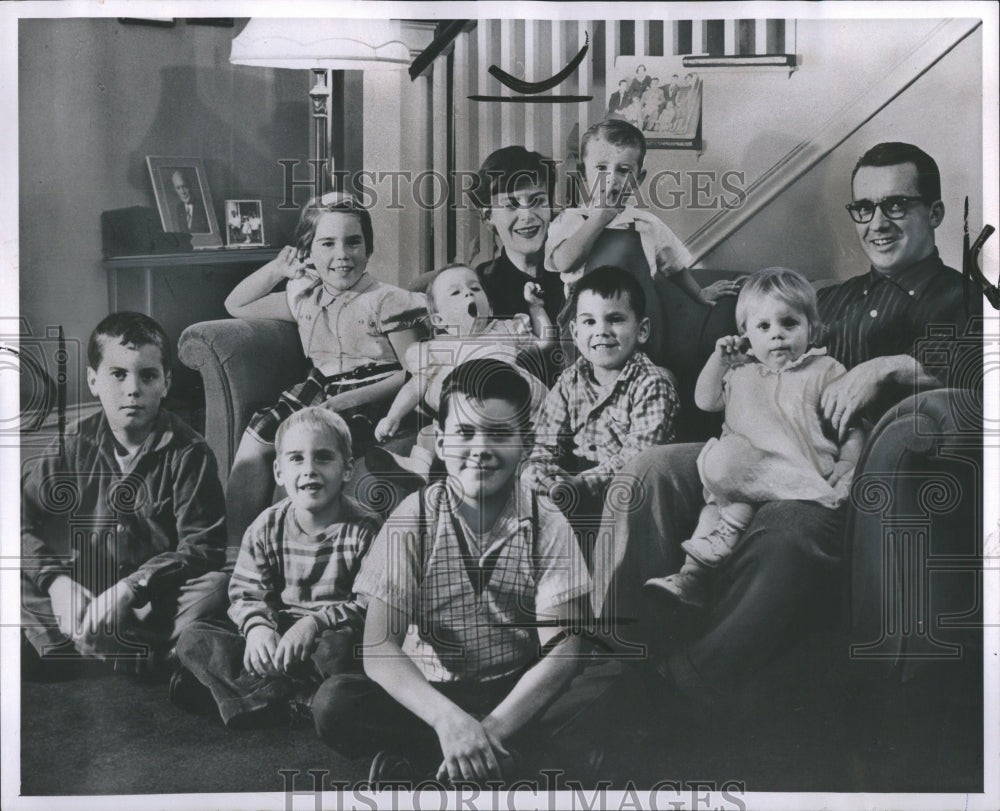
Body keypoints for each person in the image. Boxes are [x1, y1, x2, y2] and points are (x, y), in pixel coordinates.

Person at [591, 141, 983, 706]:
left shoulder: (965, 299)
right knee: (649, 470)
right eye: (864, 208)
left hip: (847, 479)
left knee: (787, 526)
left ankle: (689, 681)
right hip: (767, 446)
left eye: (897, 206)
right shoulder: (832, 300)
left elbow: (983, 381)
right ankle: (618, 653)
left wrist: (894, 365)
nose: (877, 222)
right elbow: (763, 366)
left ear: (936, 213)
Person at [312, 359, 623, 786]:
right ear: (440, 442)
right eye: (464, 433)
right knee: (335, 703)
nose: (480, 449)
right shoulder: (413, 519)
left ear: (525, 443)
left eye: (499, 434)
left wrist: (488, 729)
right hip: (435, 692)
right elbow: (381, 647)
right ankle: (506, 763)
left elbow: (562, 651)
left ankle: (451, 760)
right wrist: (450, 722)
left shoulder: (545, 518)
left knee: (615, 681)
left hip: (517, 688)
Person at [21, 312, 228, 677]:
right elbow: (16, 521)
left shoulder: (190, 453)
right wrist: (56, 583)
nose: (133, 389)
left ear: (165, 383)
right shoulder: (72, 443)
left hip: (146, 602)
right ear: (93, 381)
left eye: (147, 375)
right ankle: (84, 644)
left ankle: (90, 650)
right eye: (118, 375)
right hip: (83, 592)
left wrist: (131, 587)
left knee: (216, 586)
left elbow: (202, 549)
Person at [644, 268, 864, 606]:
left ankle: (711, 564)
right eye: (763, 327)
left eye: (789, 324)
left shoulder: (824, 370)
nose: (776, 335)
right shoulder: (740, 371)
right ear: (744, 333)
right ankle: (690, 577)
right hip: (743, 476)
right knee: (714, 509)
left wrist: (849, 460)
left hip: (795, 472)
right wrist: (719, 361)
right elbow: (705, 401)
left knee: (731, 504)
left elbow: (849, 424)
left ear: (812, 329)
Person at [222, 193, 426, 550]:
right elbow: (235, 304)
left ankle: (312, 549)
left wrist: (350, 399)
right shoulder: (304, 296)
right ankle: (235, 550)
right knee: (257, 436)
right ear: (308, 252)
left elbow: (414, 373)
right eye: (327, 243)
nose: (342, 254)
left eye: (353, 242)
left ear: (368, 248)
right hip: (319, 388)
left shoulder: (386, 300)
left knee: (317, 445)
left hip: (375, 390)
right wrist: (276, 269)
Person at [171, 408, 380, 729]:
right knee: (193, 639)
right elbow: (246, 591)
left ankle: (253, 696)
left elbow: (370, 604)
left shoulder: (365, 527)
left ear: (348, 469)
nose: (309, 470)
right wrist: (258, 629)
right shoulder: (266, 525)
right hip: (277, 637)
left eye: (323, 458)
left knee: (341, 651)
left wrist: (313, 623)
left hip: (324, 639)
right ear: (279, 472)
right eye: (296, 459)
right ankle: (292, 698)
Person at [523, 266, 678, 564]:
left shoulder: (652, 384)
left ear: (642, 330)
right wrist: (542, 477)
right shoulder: (570, 380)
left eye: (615, 319)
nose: (602, 331)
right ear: (576, 332)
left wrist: (578, 484)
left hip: (629, 491)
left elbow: (637, 457)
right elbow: (542, 443)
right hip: (575, 483)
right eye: (590, 321)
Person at [545, 118, 731, 367]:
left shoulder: (645, 223)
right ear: (582, 173)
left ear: (639, 179)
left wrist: (700, 294)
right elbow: (562, 262)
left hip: (638, 324)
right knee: (587, 382)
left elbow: (674, 266)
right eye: (601, 168)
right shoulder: (571, 220)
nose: (611, 179)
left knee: (644, 379)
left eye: (623, 170)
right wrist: (597, 221)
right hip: (590, 326)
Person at [373, 262, 553, 453]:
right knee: (431, 436)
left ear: (490, 309)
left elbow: (544, 343)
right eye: (455, 293)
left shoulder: (504, 330)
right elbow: (416, 385)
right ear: (439, 320)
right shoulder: (437, 349)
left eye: (475, 288)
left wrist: (536, 307)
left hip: (514, 408)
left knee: (535, 435)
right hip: (468, 418)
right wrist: (393, 416)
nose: (469, 293)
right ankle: (418, 467)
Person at [473, 146, 564, 324]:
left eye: (537, 201)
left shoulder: (576, 274)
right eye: (511, 205)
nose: (528, 215)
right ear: (488, 215)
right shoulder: (479, 287)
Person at [170, 169, 209, 234]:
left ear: (190, 186)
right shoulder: (179, 208)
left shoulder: (204, 205)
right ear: (175, 190)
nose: (182, 192)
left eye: (184, 186)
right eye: (178, 188)